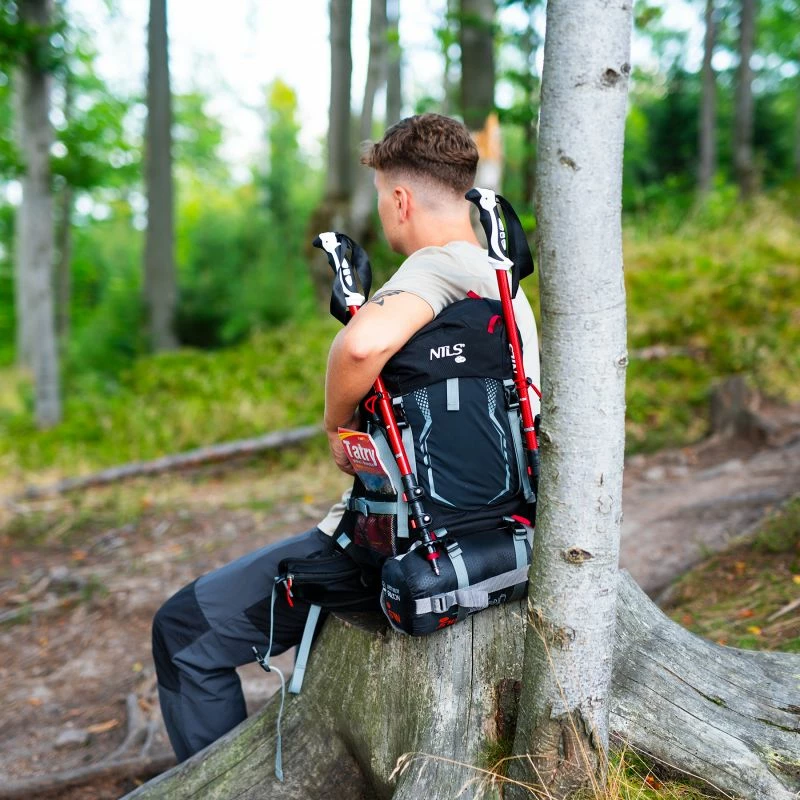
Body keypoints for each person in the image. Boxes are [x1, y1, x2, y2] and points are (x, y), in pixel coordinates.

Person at [151, 113, 540, 761]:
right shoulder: (504, 284)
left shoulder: (436, 268)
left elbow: (360, 345)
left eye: (384, 198)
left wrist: (336, 423)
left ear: (400, 199)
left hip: (396, 547)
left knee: (186, 629)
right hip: (494, 531)